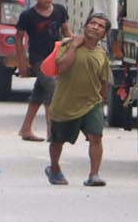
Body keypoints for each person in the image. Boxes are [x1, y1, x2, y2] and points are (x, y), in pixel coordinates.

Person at [45, 13, 112, 187]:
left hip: (91, 103)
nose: (95, 27)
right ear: (86, 26)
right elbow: (62, 67)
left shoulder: (102, 55)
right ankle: (54, 168)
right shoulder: (68, 45)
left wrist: (101, 102)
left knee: (96, 137)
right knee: (57, 140)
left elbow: (103, 81)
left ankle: (94, 174)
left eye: (100, 26)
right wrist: (74, 46)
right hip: (65, 104)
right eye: (93, 23)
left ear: (104, 34)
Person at [16, 0, 70, 142]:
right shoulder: (27, 16)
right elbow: (18, 38)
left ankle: (25, 129)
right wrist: (22, 61)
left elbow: (67, 33)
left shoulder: (60, 11)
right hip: (38, 59)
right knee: (53, 91)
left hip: (55, 57)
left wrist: (74, 49)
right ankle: (51, 131)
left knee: (39, 93)